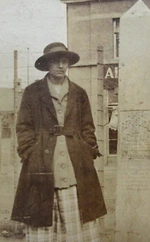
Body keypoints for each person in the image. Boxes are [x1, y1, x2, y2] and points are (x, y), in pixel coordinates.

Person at [11, 42, 107, 242]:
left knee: (78, 221)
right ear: (47, 65)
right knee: (42, 220)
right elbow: (23, 127)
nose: (61, 66)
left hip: (76, 162)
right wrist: (30, 152)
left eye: (64, 61)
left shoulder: (79, 93)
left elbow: (88, 126)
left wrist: (86, 149)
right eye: (55, 61)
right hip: (42, 162)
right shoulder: (32, 92)